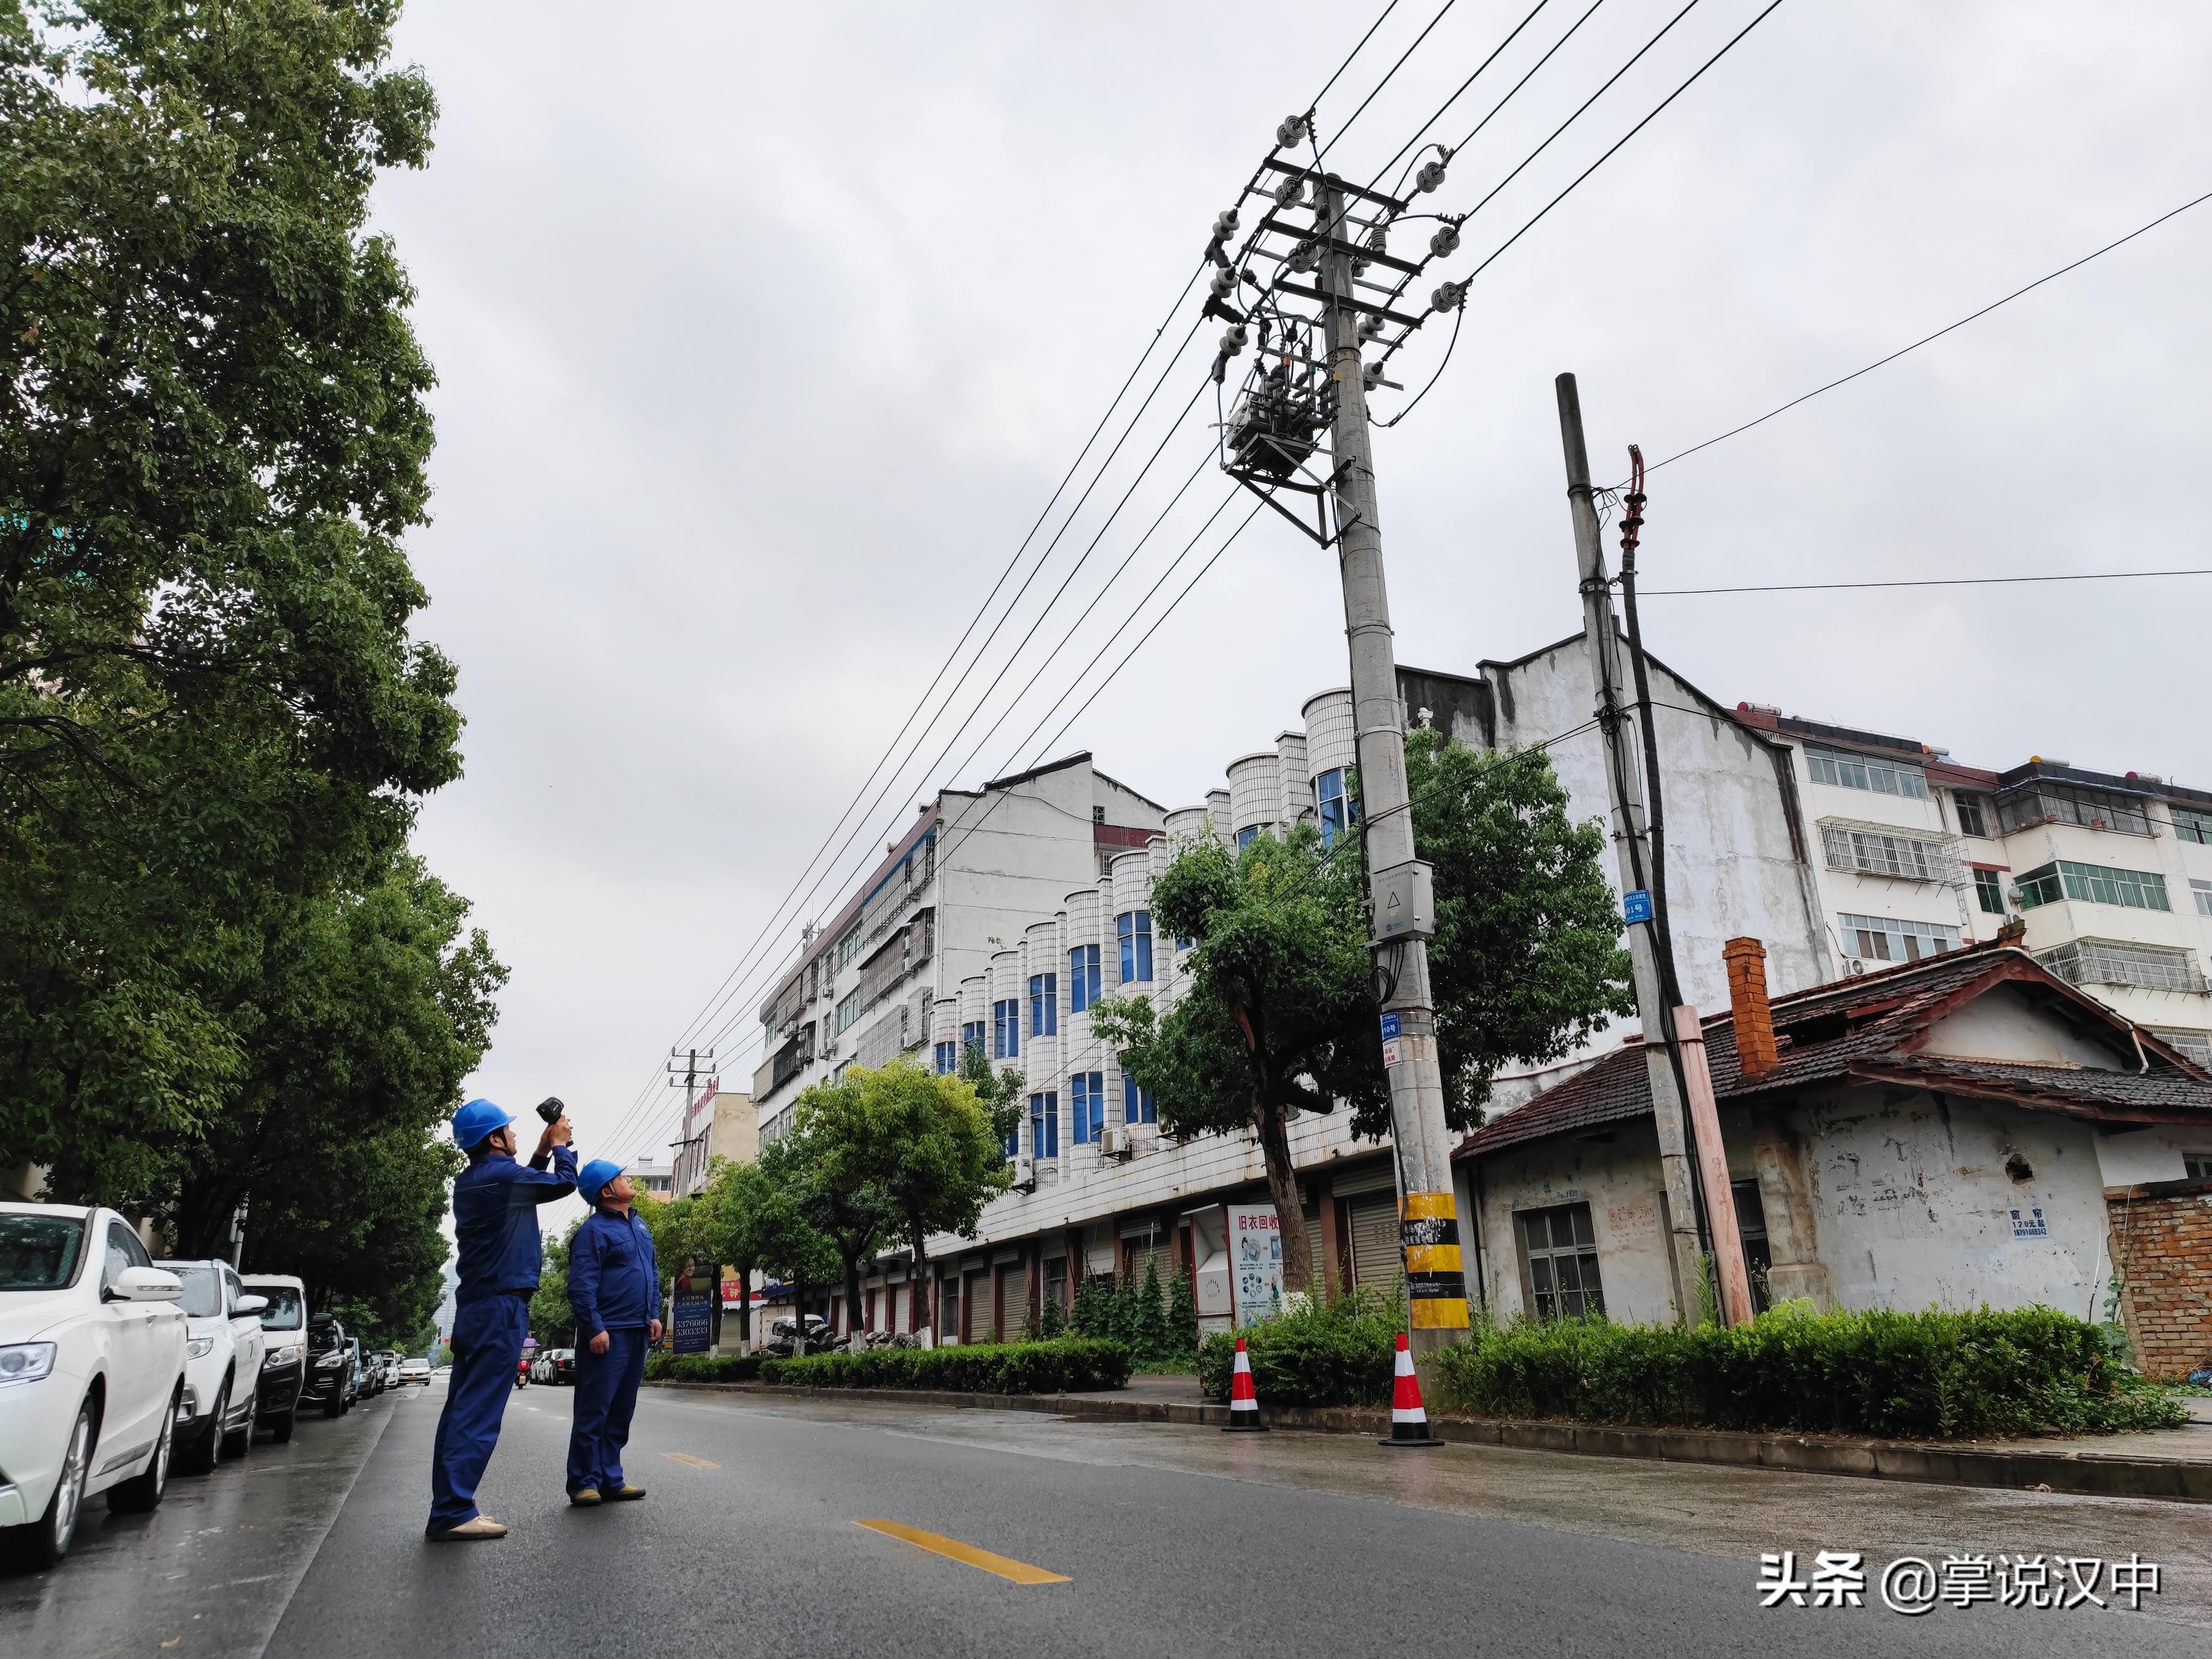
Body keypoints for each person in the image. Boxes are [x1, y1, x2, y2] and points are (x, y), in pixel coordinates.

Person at [426, 1097, 577, 1541]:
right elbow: (564, 1184)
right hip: (501, 1306)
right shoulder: (502, 1177)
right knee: (479, 1413)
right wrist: (563, 1145)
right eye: (508, 1130)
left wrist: (541, 1150)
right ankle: (453, 1511)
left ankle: (450, 1507)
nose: (513, 1134)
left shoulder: (479, 1179)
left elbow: (525, 1182)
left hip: (479, 1305)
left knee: (461, 1411)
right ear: (494, 1139)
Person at [565, 1159, 660, 1506]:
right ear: (607, 1191)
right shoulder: (593, 1232)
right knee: (595, 1410)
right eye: (622, 1178)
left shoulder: (639, 1226)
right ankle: (583, 1482)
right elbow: (581, 1286)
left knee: (621, 1410)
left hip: (637, 1331)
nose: (630, 1179)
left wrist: (654, 1314)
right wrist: (594, 1327)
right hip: (607, 1334)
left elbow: (652, 1273)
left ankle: (611, 1478)